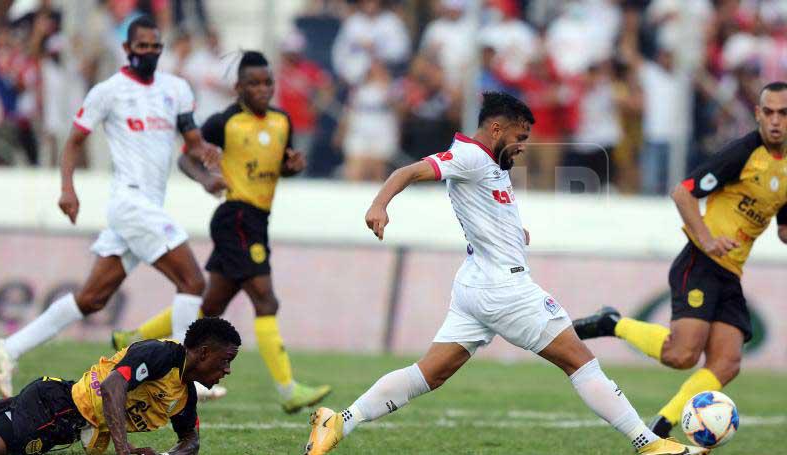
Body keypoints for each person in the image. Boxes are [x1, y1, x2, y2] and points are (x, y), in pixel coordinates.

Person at [303, 92, 708, 455]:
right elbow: (405, 172)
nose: (522, 146)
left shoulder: (491, 164)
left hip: (476, 284)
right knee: (581, 362)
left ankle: (338, 422)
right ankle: (650, 444)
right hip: (504, 287)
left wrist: (515, 232)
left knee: (429, 373)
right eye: (520, 136)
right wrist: (379, 205)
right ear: (496, 128)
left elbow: (486, 210)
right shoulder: (470, 157)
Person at [0, 15, 220, 399]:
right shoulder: (108, 91)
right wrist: (67, 189)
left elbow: (192, 142)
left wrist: (208, 163)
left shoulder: (175, 88)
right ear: (127, 49)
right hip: (130, 203)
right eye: (141, 46)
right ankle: (184, 378)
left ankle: (9, 348)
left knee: (92, 299)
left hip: (146, 207)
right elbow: (75, 141)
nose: (148, 52)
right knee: (192, 282)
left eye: (154, 46)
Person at [112, 51, 332, 414]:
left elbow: (281, 166)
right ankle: (288, 389)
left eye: (267, 83)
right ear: (238, 88)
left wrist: (293, 166)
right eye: (254, 84)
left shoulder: (282, 121)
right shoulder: (223, 122)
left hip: (258, 218)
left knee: (211, 304)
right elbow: (186, 157)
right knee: (266, 300)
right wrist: (205, 180)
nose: (262, 90)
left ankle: (134, 337)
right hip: (236, 217)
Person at [573, 81, 787, 439]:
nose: (776, 120)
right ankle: (613, 323)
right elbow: (682, 193)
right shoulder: (743, 152)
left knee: (728, 361)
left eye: (783, 113)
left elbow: (783, 230)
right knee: (682, 355)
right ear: (757, 114)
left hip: (731, 273)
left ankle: (664, 421)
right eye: (769, 112)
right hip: (700, 262)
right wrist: (707, 238)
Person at [0, 317, 240, 455]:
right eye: (226, 360)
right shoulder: (161, 354)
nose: (227, 369)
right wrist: (123, 449)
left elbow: (191, 440)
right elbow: (111, 387)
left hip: (70, 424)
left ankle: (4, 409)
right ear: (205, 353)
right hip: (53, 406)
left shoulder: (185, 396)